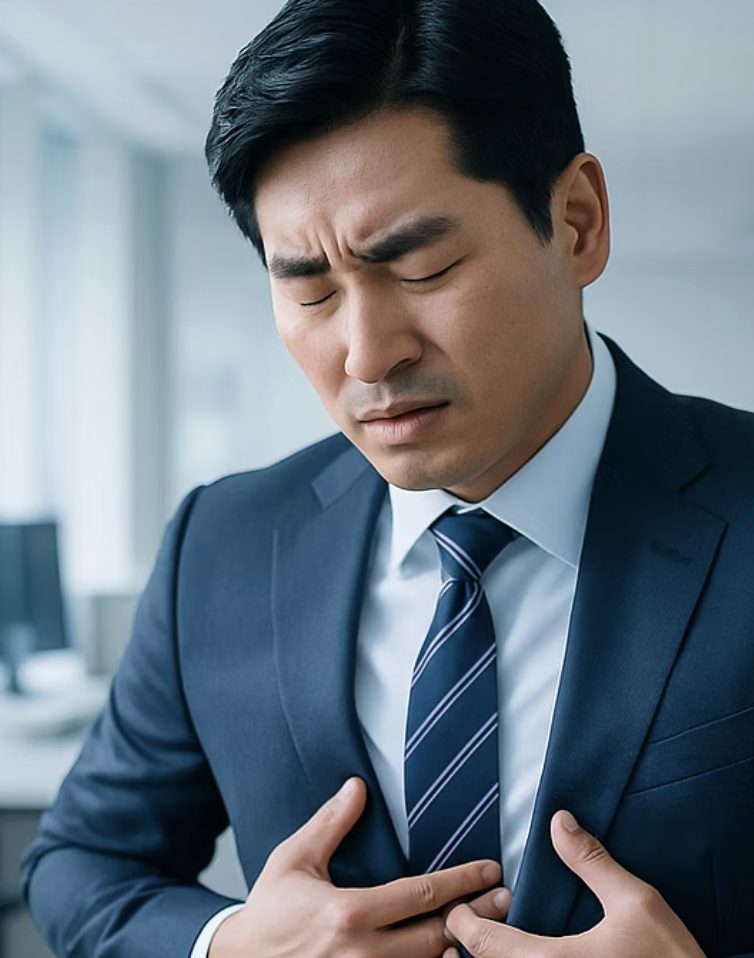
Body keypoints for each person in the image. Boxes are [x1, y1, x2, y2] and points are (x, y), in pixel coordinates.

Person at [22, 0, 754, 956]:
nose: (366, 355)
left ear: (576, 224)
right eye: (310, 289)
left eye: (422, 268)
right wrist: (236, 946)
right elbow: (85, 861)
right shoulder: (226, 541)